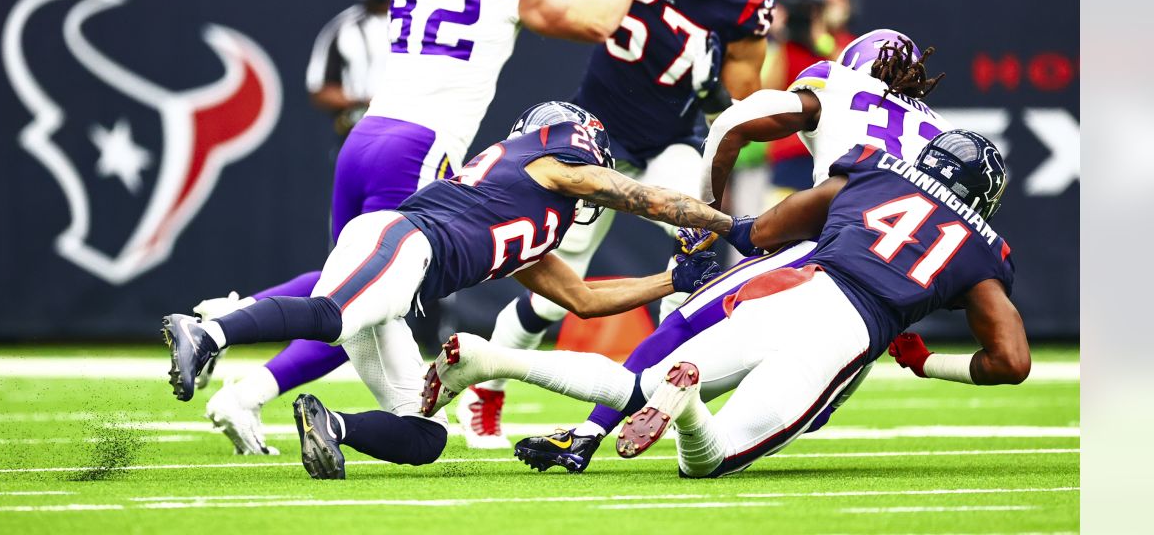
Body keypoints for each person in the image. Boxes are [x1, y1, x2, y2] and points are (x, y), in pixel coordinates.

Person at [187, 0, 666, 456]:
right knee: (359, 298)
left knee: (355, 285)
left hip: (367, 135)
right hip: (420, 144)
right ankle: (227, 333)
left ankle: (247, 363)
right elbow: (597, 21)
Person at [161, 102, 731, 479]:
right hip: (404, 241)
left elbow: (582, 299)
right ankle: (210, 331)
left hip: (405, 275)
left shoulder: (534, 220)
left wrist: (671, 280)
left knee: (424, 432)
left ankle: (332, 427)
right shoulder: (547, 166)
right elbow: (646, 199)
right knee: (333, 318)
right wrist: (730, 226)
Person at [423, 129, 1025, 479]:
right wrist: (928, 364)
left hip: (783, 289)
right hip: (845, 333)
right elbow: (1011, 361)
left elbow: (764, 233)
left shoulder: (876, 172)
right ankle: (686, 409)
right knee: (706, 463)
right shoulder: (980, 248)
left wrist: (735, 228)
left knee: (636, 386)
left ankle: (493, 360)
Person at [510, 29, 955, 472]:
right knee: (814, 407)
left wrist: (705, 212)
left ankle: (593, 431)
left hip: (824, 248)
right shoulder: (938, 132)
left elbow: (732, 123)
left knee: (685, 325)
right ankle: (691, 410)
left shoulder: (837, 83)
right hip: (887, 281)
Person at [466, 0, 776, 447]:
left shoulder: (746, 1)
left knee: (696, 244)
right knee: (552, 299)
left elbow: (742, 97)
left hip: (668, 145)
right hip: (591, 146)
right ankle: (488, 385)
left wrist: (713, 88)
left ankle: (668, 392)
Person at [763, 0, 860, 205]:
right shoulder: (790, 45)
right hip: (790, 155)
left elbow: (854, 82)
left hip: (835, 155)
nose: (824, 4)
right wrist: (779, 37)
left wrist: (821, 41)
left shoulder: (852, 45)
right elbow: (767, 91)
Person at [305, 0, 392, 139]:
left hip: (409, 127)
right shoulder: (342, 28)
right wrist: (364, 103)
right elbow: (320, 89)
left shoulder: (416, 24)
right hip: (357, 130)